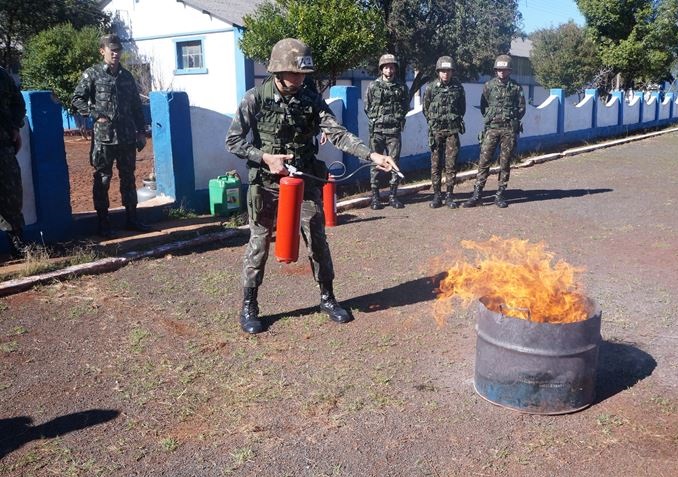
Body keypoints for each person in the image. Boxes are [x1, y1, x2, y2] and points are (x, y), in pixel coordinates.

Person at [226, 38, 398, 334]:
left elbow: (338, 133)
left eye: (304, 74)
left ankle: (327, 297)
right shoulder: (255, 98)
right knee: (259, 242)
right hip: (267, 184)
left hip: (304, 180)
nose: (301, 79)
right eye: (295, 73)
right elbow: (233, 141)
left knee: (317, 239)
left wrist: (371, 154)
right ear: (279, 70)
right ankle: (249, 305)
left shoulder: (310, 99)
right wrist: (264, 157)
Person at [72, 33, 149, 237]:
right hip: (104, 138)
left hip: (126, 137)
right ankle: (103, 224)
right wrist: (96, 114)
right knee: (102, 179)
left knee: (128, 178)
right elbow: (77, 99)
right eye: (112, 50)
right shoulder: (92, 74)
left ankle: (132, 219)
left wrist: (142, 131)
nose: (115, 54)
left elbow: (136, 106)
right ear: (102, 51)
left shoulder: (126, 76)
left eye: (118, 50)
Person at [463, 54, 525, 208]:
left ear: (509, 70)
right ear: (495, 70)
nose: (501, 72)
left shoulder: (516, 87)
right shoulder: (488, 86)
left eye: (504, 70)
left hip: (508, 130)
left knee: (505, 163)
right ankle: (477, 194)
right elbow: (483, 106)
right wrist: (493, 118)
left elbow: (522, 108)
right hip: (491, 129)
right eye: (499, 69)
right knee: (484, 161)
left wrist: (510, 119)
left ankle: (500, 194)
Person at [364, 53, 409, 210]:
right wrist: (377, 120)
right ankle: (375, 197)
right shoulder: (373, 86)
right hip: (377, 131)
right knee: (375, 164)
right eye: (386, 67)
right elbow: (367, 106)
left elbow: (405, 107)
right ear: (381, 69)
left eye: (391, 67)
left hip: (393, 132)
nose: (389, 70)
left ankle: (392, 196)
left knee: (395, 163)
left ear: (395, 69)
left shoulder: (402, 87)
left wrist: (396, 119)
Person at [423, 56, 466, 209]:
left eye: (448, 71)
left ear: (452, 72)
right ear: (438, 72)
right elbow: (425, 109)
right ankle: (436, 196)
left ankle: (449, 196)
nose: (445, 74)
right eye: (442, 71)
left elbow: (462, 108)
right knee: (435, 165)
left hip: (452, 132)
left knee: (451, 164)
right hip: (436, 132)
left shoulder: (458, 87)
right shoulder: (431, 88)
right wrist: (435, 123)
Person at [0, 66, 27, 259]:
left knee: (12, 195)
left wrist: (16, 128)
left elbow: (18, 103)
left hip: (3, 147)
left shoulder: (2, 75)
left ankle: (17, 244)